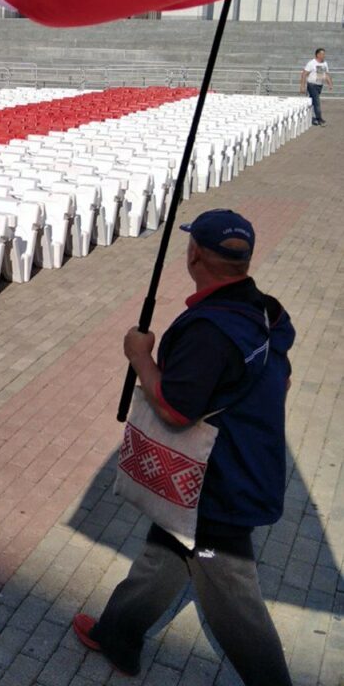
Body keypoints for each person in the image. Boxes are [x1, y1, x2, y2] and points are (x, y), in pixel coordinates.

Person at [73, 209, 294, 686]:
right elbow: (284, 377)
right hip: (247, 461)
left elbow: (175, 410)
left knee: (230, 592)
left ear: (194, 254)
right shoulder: (266, 309)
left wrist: (139, 357)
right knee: (168, 549)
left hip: (216, 485)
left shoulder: (209, 330)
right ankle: (118, 634)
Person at [299, 47, 332, 125]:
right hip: (312, 85)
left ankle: (306, 116)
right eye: (322, 54)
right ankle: (319, 119)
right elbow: (304, 74)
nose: (324, 55)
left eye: (324, 54)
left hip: (319, 85)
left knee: (312, 101)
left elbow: (325, 75)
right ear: (317, 55)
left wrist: (330, 84)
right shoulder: (311, 63)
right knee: (317, 102)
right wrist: (302, 86)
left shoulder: (324, 63)